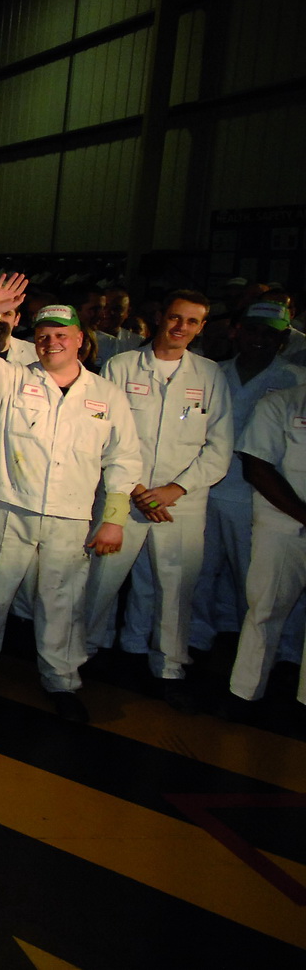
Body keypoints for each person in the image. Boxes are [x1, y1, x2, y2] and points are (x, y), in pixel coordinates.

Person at [0, 276, 142, 722]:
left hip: (71, 517)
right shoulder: (14, 380)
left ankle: (62, 680)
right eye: (42, 337)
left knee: (62, 602)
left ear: (80, 339)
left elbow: (123, 460)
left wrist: (113, 518)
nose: (51, 343)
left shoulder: (107, 395)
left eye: (60, 336)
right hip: (11, 509)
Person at [82, 290, 233, 711]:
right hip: (123, 495)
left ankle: (168, 667)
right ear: (160, 318)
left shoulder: (209, 376)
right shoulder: (122, 365)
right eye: (174, 318)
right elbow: (105, 436)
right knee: (101, 581)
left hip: (180, 503)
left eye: (191, 322)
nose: (180, 327)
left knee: (175, 589)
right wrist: (135, 490)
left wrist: (172, 490)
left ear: (201, 328)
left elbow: (218, 449)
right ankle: (83, 653)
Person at [191, 302, 306, 655]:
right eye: (253, 329)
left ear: (284, 339)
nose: (260, 339)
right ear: (237, 331)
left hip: (262, 497)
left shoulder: (295, 381)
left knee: (256, 582)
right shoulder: (212, 373)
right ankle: (200, 637)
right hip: (207, 491)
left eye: (270, 333)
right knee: (201, 574)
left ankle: (275, 653)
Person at [222, 381, 306, 717]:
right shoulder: (281, 403)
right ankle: (244, 693)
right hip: (282, 525)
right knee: (265, 609)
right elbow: (257, 466)